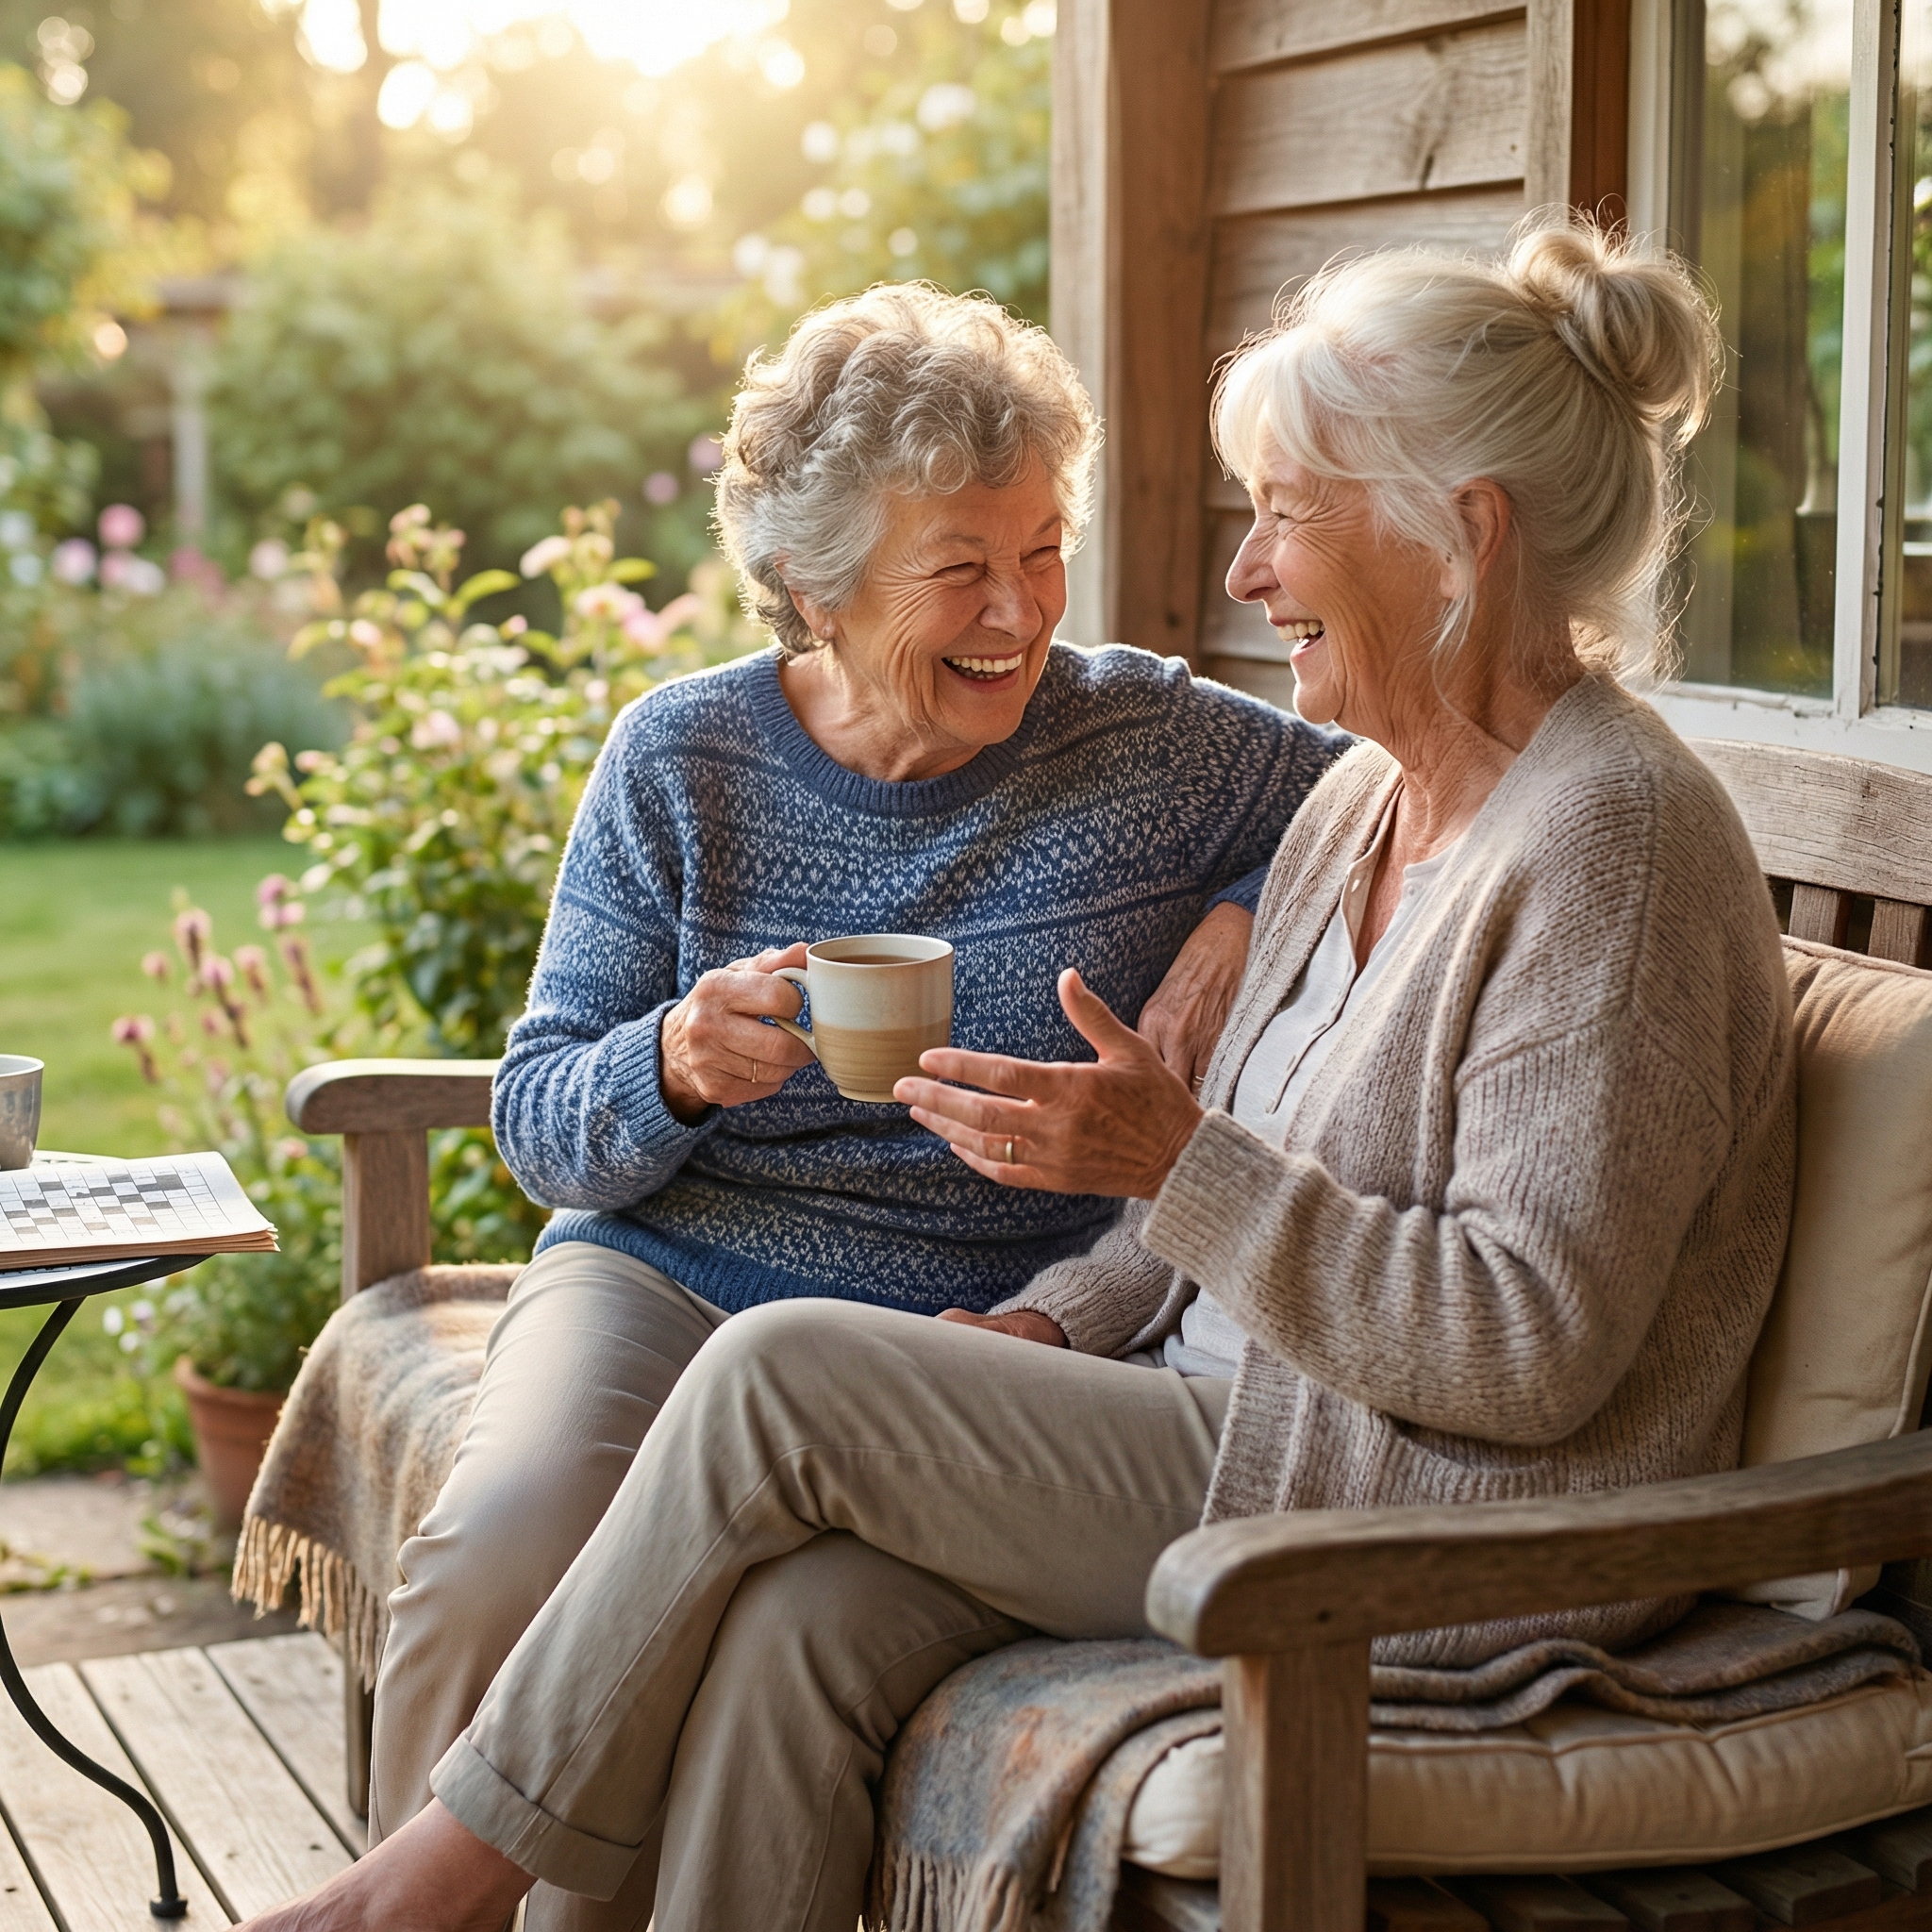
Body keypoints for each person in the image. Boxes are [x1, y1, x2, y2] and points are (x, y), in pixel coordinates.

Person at [242, 224, 1795, 1932]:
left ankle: (423, 1894)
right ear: (818, 587)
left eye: (1284, 512)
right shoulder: (1364, 800)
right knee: (789, 1628)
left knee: (783, 1382)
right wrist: (1054, 1308)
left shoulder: (1612, 845)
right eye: (1253, 515)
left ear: (1461, 538)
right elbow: (1218, 1181)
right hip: (1121, 1389)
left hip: (1370, 1497)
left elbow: (1525, 1342)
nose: (1246, 577)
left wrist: (1177, 1133)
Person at [364, 283, 1341, 1856]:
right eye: (960, 569)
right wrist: (673, 1063)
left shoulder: (1145, 738)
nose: (1022, 614)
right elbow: (541, 1126)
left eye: (1040, 551)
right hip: (667, 1276)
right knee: (505, 1543)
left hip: (960, 1338)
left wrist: (1240, 910)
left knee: (724, 1620)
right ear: (812, 590)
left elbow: (1381, 784)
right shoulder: (681, 759)